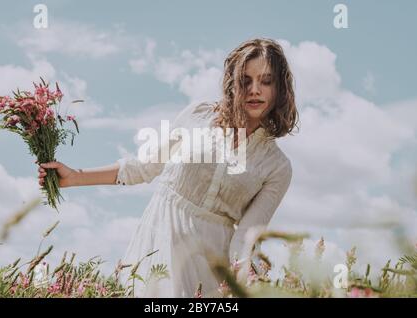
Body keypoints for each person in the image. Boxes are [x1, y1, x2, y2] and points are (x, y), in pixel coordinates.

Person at [37, 38, 299, 297]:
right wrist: (73, 177)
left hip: (209, 270)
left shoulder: (277, 168)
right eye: (246, 80)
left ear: (280, 89)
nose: (255, 90)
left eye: (266, 81)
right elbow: (142, 167)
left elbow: (245, 239)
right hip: (157, 242)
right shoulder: (199, 115)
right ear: (233, 84)